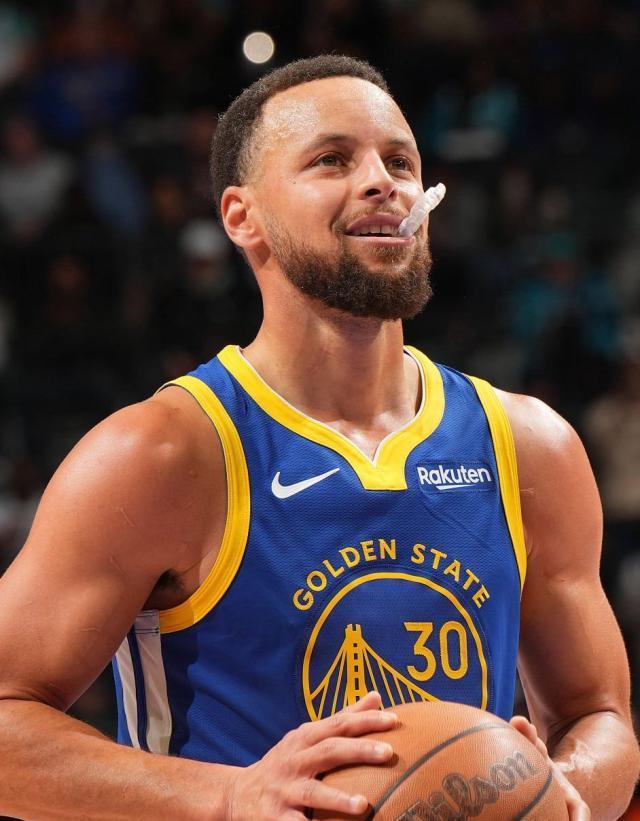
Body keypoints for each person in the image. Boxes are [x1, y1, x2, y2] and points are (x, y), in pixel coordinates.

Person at [0, 55, 637, 820]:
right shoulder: (163, 453)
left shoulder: (528, 445)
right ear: (243, 217)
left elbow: (600, 714)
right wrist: (228, 794)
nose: (382, 182)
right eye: (332, 159)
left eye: (400, 161)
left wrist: (563, 792)